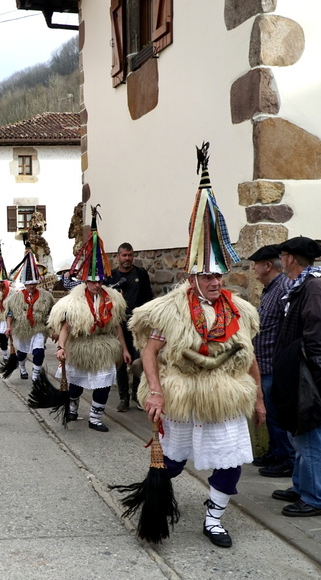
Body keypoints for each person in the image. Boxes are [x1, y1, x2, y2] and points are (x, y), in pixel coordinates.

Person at [129, 146, 264, 548]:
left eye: (218, 276)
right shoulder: (171, 310)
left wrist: (258, 400)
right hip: (182, 398)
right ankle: (154, 503)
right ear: (192, 275)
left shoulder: (239, 309)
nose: (214, 282)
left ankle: (215, 517)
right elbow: (150, 353)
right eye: (206, 276)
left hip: (224, 397)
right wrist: (154, 391)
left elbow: (248, 356)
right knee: (169, 463)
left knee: (231, 464)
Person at [270, 236, 321, 517]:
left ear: (290, 258)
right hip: (298, 375)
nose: (281, 260)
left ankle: (316, 498)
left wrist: (298, 365)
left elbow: (316, 340)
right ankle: (302, 486)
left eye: (283, 255)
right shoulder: (303, 286)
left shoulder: (312, 288)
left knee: (308, 436)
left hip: (307, 377)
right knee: (298, 435)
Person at [49, 220, 130, 432]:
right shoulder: (73, 301)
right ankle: (73, 406)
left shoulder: (112, 299)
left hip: (103, 346)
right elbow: (66, 327)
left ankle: (95, 418)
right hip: (80, 346)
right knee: (76, 384)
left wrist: (124, 349)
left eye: (99, 281)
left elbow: (117, 326)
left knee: (103, 384)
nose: (96, 285)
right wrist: (61, 347)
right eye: (92, 281)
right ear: (85, 280)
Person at [248, 244, 295, 478]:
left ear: (267, 265)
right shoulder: (269, 289)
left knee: (275, 413)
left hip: (274, 364)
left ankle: (286, 458)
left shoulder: (284, 287)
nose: (253, 269)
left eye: (256, 264)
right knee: (270, 412)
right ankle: (276, 452)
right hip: (264, 363)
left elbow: (290, 327)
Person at [109, 242, 154, 411]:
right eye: (124, 255)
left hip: (138, 324)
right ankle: (123, 398)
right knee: (120, 360)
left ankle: (136, 394)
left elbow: (148, 298)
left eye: (130, 255)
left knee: (138, 361)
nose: (127, 259)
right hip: (119, 324)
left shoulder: (140, 274)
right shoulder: (112, 276)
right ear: (118, 257)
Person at [5, 250, 55, 381]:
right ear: (25, 283)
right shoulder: (15, 298)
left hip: (38, 328)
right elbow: (9, 313)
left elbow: (52, 313)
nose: (32, 286)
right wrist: (8, 327)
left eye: (34, 283)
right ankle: (22, 368)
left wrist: (54, 330)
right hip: (21, 329)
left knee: (39, 352)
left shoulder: (46, 296)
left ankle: (35, 375)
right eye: (29, 283)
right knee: (21, 353)